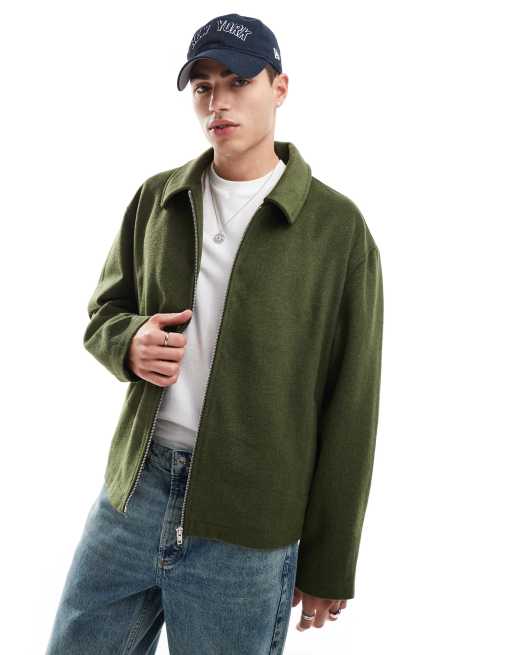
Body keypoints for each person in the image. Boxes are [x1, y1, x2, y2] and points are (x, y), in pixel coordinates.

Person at [45, 12, 384, 655]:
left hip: (250, 518)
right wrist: (129, 343)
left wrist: (330, 562)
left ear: (279, 88)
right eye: (203, 86)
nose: (218, 102)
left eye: (238, 81)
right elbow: (105, 313)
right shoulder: (158, 198)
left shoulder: (337, 229)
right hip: (135, 493)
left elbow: (353, 403)